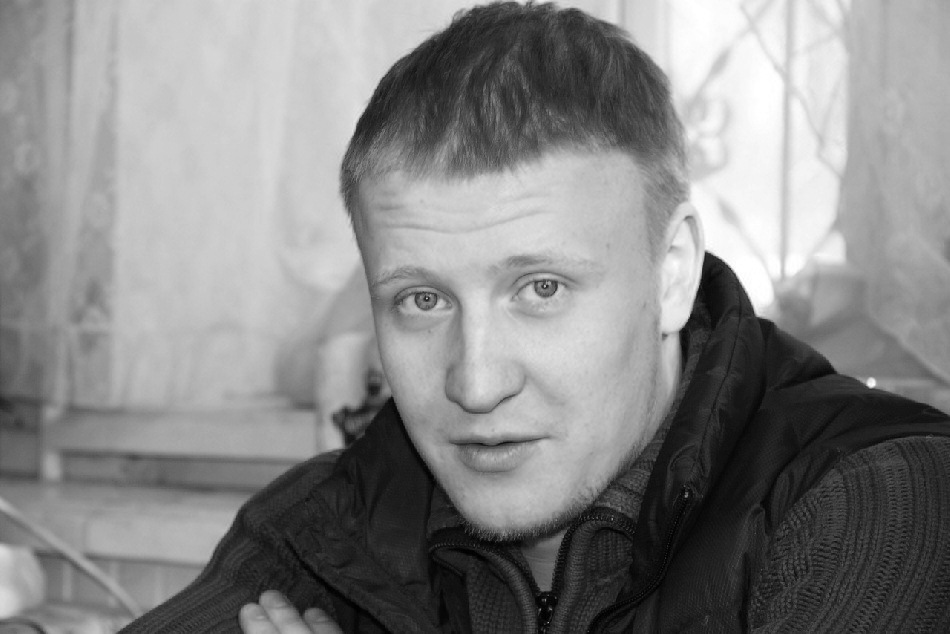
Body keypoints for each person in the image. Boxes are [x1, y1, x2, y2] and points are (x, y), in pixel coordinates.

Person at [121, 3, 950, 632]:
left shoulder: (874, 499)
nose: (476, 384)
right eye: (422, 300)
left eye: (541, 289)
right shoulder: (324, 532)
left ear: (672, 272)